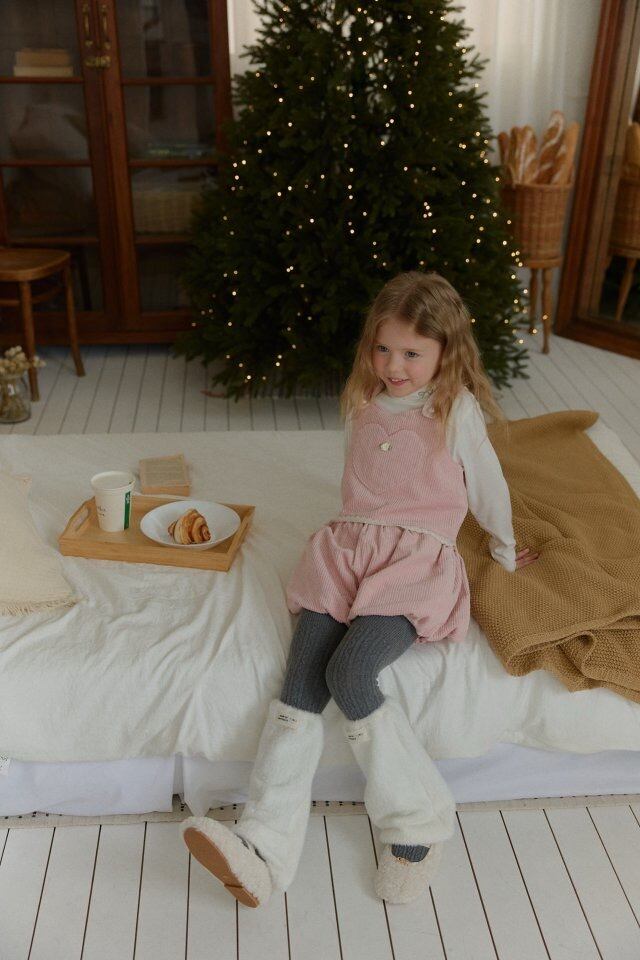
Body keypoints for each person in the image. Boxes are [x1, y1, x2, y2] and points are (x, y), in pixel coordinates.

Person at [181, 270, 539, 908]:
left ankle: (416, 823)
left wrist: (506, 550)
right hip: (348, 551)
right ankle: (264, 845)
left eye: (412, 354)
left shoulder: (454, 410)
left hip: (414, 562)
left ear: (446, 353)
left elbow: (488, 486)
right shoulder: (364, 402)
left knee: (350, 672)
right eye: (383, 349)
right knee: (300, 679)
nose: (393, 366)